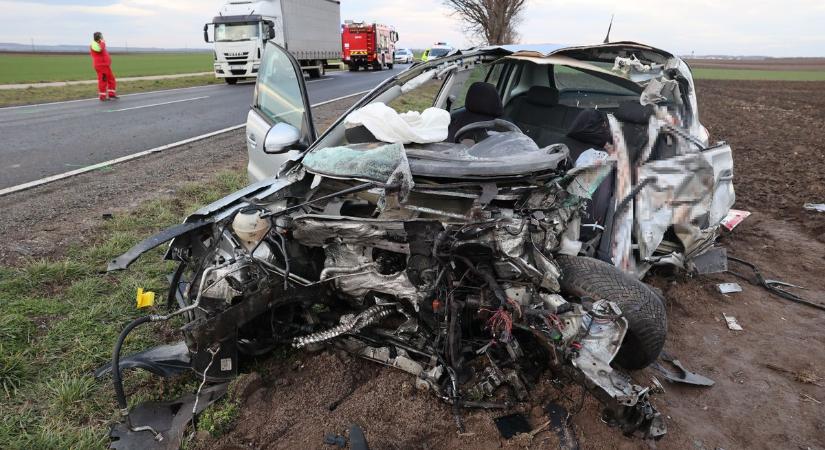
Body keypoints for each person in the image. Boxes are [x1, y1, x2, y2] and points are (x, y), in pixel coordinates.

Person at [89, 32, 117, 101]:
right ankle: (102, 96)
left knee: (111, 79)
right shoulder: (94, 44)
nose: (102, 37)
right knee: (103, 80)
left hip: (106, 66)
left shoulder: (99, 43)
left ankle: (111, 94)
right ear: (98, 37)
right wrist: (102, 42)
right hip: (101, 66)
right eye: (101, 36)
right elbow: (99, 49)